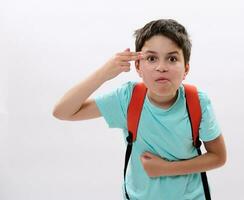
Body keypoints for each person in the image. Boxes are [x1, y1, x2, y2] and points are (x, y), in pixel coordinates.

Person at [53, 19, 227, 200]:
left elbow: (218, 156)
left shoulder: (197, 102)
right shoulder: (127, 99)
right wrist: (105, 73)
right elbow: (63, 111)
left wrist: (165, 169)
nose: (161, 67)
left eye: (172, 58)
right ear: (138, 66)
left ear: (186, 69)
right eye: (151, 58)